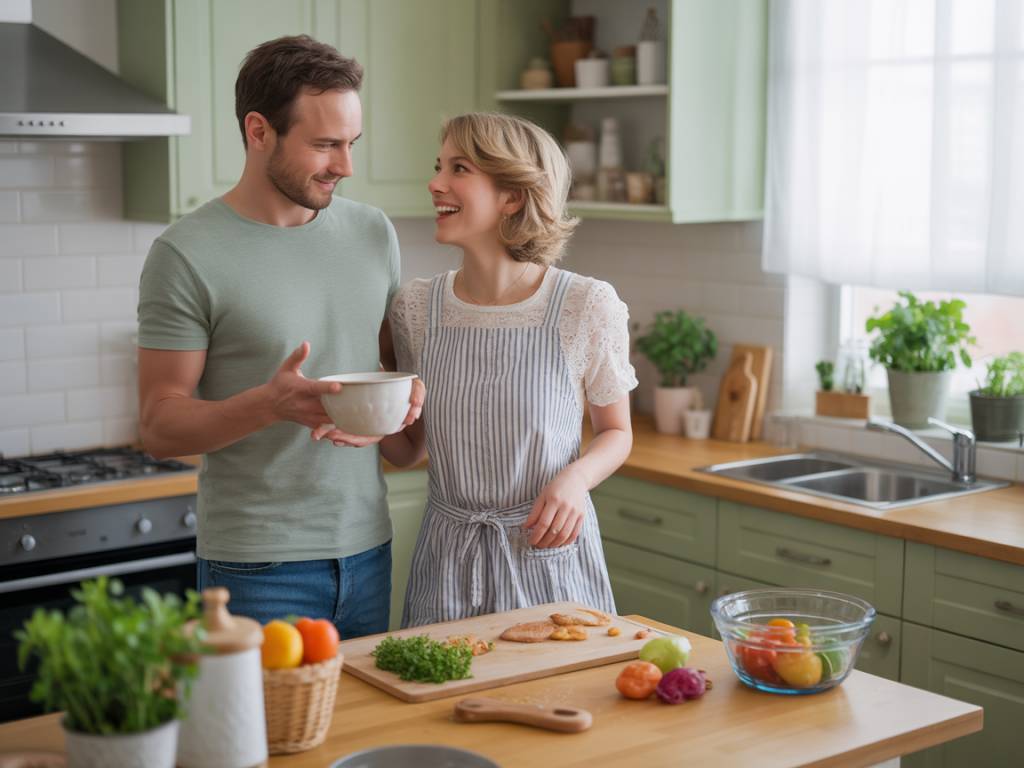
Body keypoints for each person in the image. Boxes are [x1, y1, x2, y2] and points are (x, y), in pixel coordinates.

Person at [136, 35, 423, 638]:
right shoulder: (186, 254)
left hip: (370, 548)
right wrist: (268, 405)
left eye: (351, 144)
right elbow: (160, 426)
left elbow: (400, 441)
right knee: (265, 735)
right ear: (259, 130)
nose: (345, 166)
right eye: (324, 145)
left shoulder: (374, 234)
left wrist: (407, 409)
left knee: (362, 734)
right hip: (256, 566)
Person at [383, 112, 637, 626]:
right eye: (439, 166)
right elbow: (409, 448)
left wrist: (576, 480)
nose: (435, 184)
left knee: (560, 699)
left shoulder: (584, 305)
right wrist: (360, 413)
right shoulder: (415, 308)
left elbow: (617, 432)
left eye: (459, 169)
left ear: (512, 196)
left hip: (549, 554)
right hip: (447, 562)